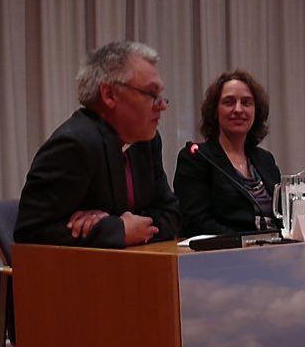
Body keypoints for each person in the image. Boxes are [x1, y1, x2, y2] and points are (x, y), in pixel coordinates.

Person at [14, 40, 181, 248]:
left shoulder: (146, 141)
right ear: (109, 95)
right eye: (151, 94)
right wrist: (116, 229)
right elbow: (29, 231)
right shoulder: (74, 144)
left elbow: (171, 214)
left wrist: (128, 227)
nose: (162, 106)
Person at [174, 71, 282, 237]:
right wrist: (247, 244)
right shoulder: (197, 158)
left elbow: (283, 215)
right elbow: (196, 223)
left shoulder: (265, 159)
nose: (238, 109)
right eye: (229, 102)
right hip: (227, 255)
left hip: (276, 252)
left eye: (246, 103)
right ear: (215, 111)